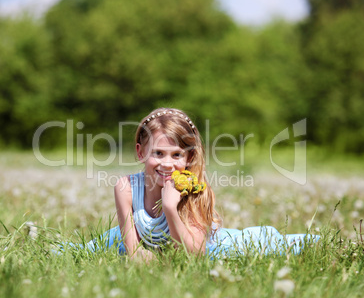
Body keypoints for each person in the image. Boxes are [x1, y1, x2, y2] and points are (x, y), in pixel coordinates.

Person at [84, 107, 319, 259]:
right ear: (140, 152)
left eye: (176, 155)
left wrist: (170, 208)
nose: (167, 163)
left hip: (211, 247)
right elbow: (134, 252)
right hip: (149, 240)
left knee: (271, 247)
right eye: (158, 153)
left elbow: (194, 255)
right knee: (95, 248)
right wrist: (141, 257)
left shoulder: (197, 191)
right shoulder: (126, 188)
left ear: (189, 157)